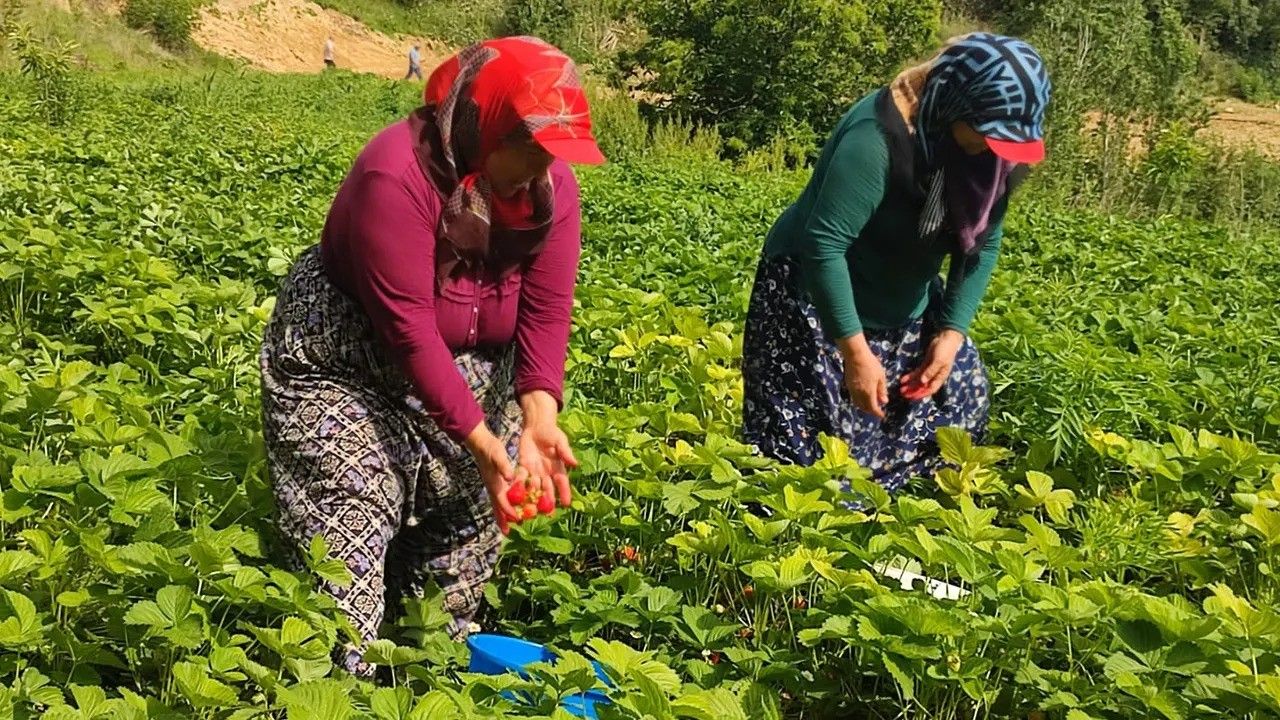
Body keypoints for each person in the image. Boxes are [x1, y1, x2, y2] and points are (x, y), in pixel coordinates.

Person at [259, 36, 606, 677]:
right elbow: (412, 331)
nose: (541, 168)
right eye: (526, 147)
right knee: (351, 511)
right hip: (346, 366)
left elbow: (547, 309)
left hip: (470, 368)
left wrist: (539, 416)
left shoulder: (550, 188)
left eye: (551, 153)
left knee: (467, 526)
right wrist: (482, 440)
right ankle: (338, 684)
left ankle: (425, 673)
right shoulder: (395, 175)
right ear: (484, 122)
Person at [741, 33, 1051, 493]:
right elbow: (824, 246)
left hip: (903, 298)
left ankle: (900, 524)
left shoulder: (987, 159)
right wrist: (855, 353)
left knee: (957, 404)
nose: (996, 152)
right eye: (988, 136)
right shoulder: (876, 139)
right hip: (812, 297)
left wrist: (950, 335)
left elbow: (982, 246)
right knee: (811, 459)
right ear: (953, 105)